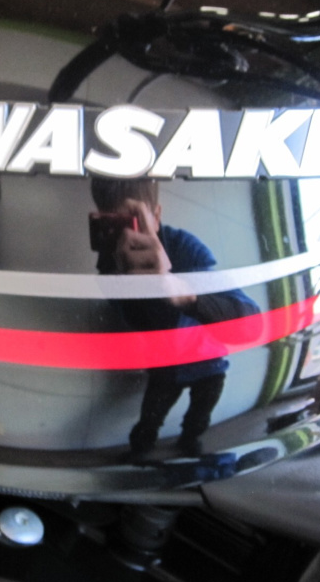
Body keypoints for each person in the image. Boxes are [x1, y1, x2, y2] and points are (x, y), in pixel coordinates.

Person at [90, 177, 260, 458]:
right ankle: (140, 455)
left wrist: (178, 289)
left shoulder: (183, 248)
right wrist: (121, 278)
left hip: (208, 364)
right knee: (148, 424)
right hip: (166, 366)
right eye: (111, 223)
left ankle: (189, 445)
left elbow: (251, 324)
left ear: (155, 216)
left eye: (130, 221)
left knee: (197, 422)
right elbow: (132, 321)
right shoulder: (110, 261)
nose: (122, 234)